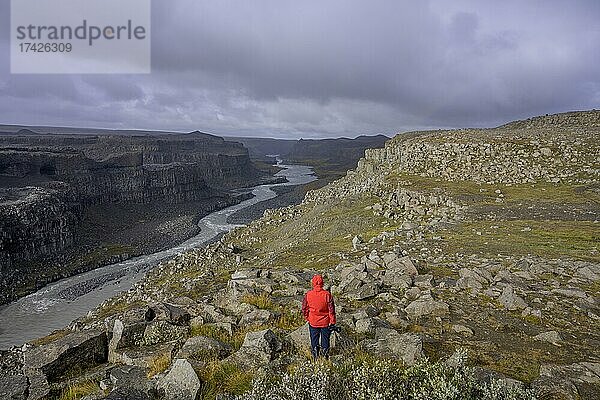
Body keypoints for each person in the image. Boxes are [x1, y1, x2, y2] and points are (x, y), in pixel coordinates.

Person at [301, 274, 337, 359]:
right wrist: (332, 322)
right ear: (322, 283)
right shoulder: (327, 295)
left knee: (314, 340)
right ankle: (325, 356)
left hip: (313, 321)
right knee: (325, 340)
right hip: (325, 322)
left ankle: (315, 356)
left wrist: (307, 317)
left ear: (313, 283)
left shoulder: (308, 294)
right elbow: (331, 310)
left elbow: (304, 308)